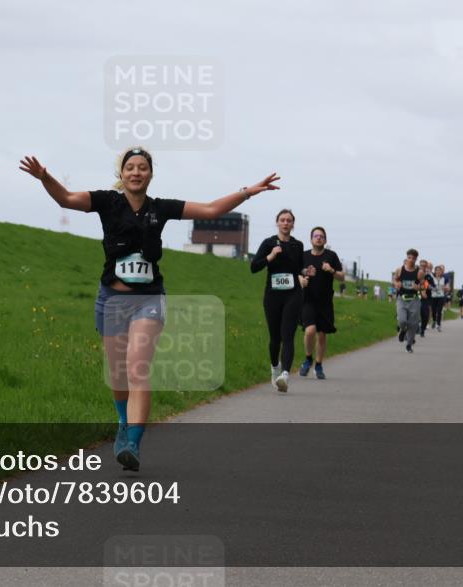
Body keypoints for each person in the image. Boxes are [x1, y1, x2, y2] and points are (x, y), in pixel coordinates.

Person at [20, 149, 279, 471]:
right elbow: (67, 199)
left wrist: (247, 192)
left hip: (148, 300)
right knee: (117, 373)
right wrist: (45, 177)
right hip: (112, 299)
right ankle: (123, 424)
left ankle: (133, 445)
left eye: (142, 168)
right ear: (122, 173)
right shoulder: (107, 202)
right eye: (130, 168)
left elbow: (211, 210)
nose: (136, 172)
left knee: (137, 368)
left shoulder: (161, 208)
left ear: (150, 174)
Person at [251, 209, 308, 393]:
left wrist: (306, 273)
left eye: (289, 220)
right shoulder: (268, 243)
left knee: (287, 335)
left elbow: (300, 268)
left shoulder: (298, 245)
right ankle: (275, 367)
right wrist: (271, 256)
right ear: (277, 223)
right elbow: (254, 267)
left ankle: (285, 374)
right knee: (275, 338)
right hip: (273, 296)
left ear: (293, 224)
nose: (285, 223)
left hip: (293, 294)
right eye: (282, 220)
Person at [299, 227, 345, 379]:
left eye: (321, 236)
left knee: (322, 335)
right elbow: (296, 273)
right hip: (307, 300)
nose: (318, 238)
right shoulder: (304, 255)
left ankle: (318, 365)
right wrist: (303, 277)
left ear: (325, 240)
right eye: (315, 236)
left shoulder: (331, 256)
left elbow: (341, 277)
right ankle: (307, 359)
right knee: (310, 331)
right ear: (311, 239)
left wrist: (331, 270)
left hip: (325, 302)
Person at [394, 249, 424, 353]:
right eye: (409, 258)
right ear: (406, 258)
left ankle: (409, 345)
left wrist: (418, 287)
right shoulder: (400, 270)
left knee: (412, 324)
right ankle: (402, 330)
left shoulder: (419, 272)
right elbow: (395, 279)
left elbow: (423, 285)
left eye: (413, 258)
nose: (411, 260)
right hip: (401, 299)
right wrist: (396, 284)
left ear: (416, 259)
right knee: (402, 320)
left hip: (414, 300)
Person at [430, 264, 448, 331]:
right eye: (437, 270)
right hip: (433, 296)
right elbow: (428, 286)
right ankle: (434, 321)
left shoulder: (444, 279)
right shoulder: (432, 278)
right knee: (434, 311)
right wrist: (433, 288)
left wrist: (445, 288)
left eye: (439, 270)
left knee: (439, 311)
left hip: (441, 296)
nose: (438, 272)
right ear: (435, 271)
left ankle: (438, 324)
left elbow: (447, 287)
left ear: (441, 272)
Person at [418, 260, 433, 338]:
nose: (423, 267)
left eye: (424, 266)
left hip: (426, 298)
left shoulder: (429, 276)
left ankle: (422, 329)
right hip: (416, 297)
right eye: (421, 265)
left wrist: (426, 286)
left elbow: (432, 287)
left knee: (425, 315)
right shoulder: (416, 274)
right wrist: (422, 289)